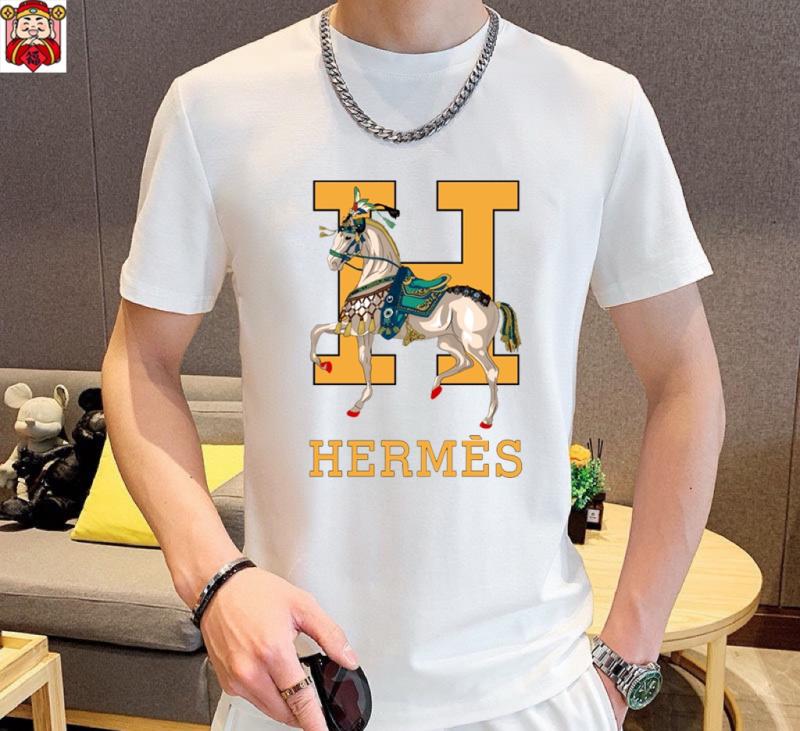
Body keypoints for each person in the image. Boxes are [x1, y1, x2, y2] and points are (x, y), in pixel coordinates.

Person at [101, 1, 725, 730]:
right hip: (297, 689)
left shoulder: (601, 109)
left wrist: (628, 657)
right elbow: (141, 359)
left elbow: (684, 379)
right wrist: (215, 579)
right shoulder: (212, 108)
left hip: (536, 692)